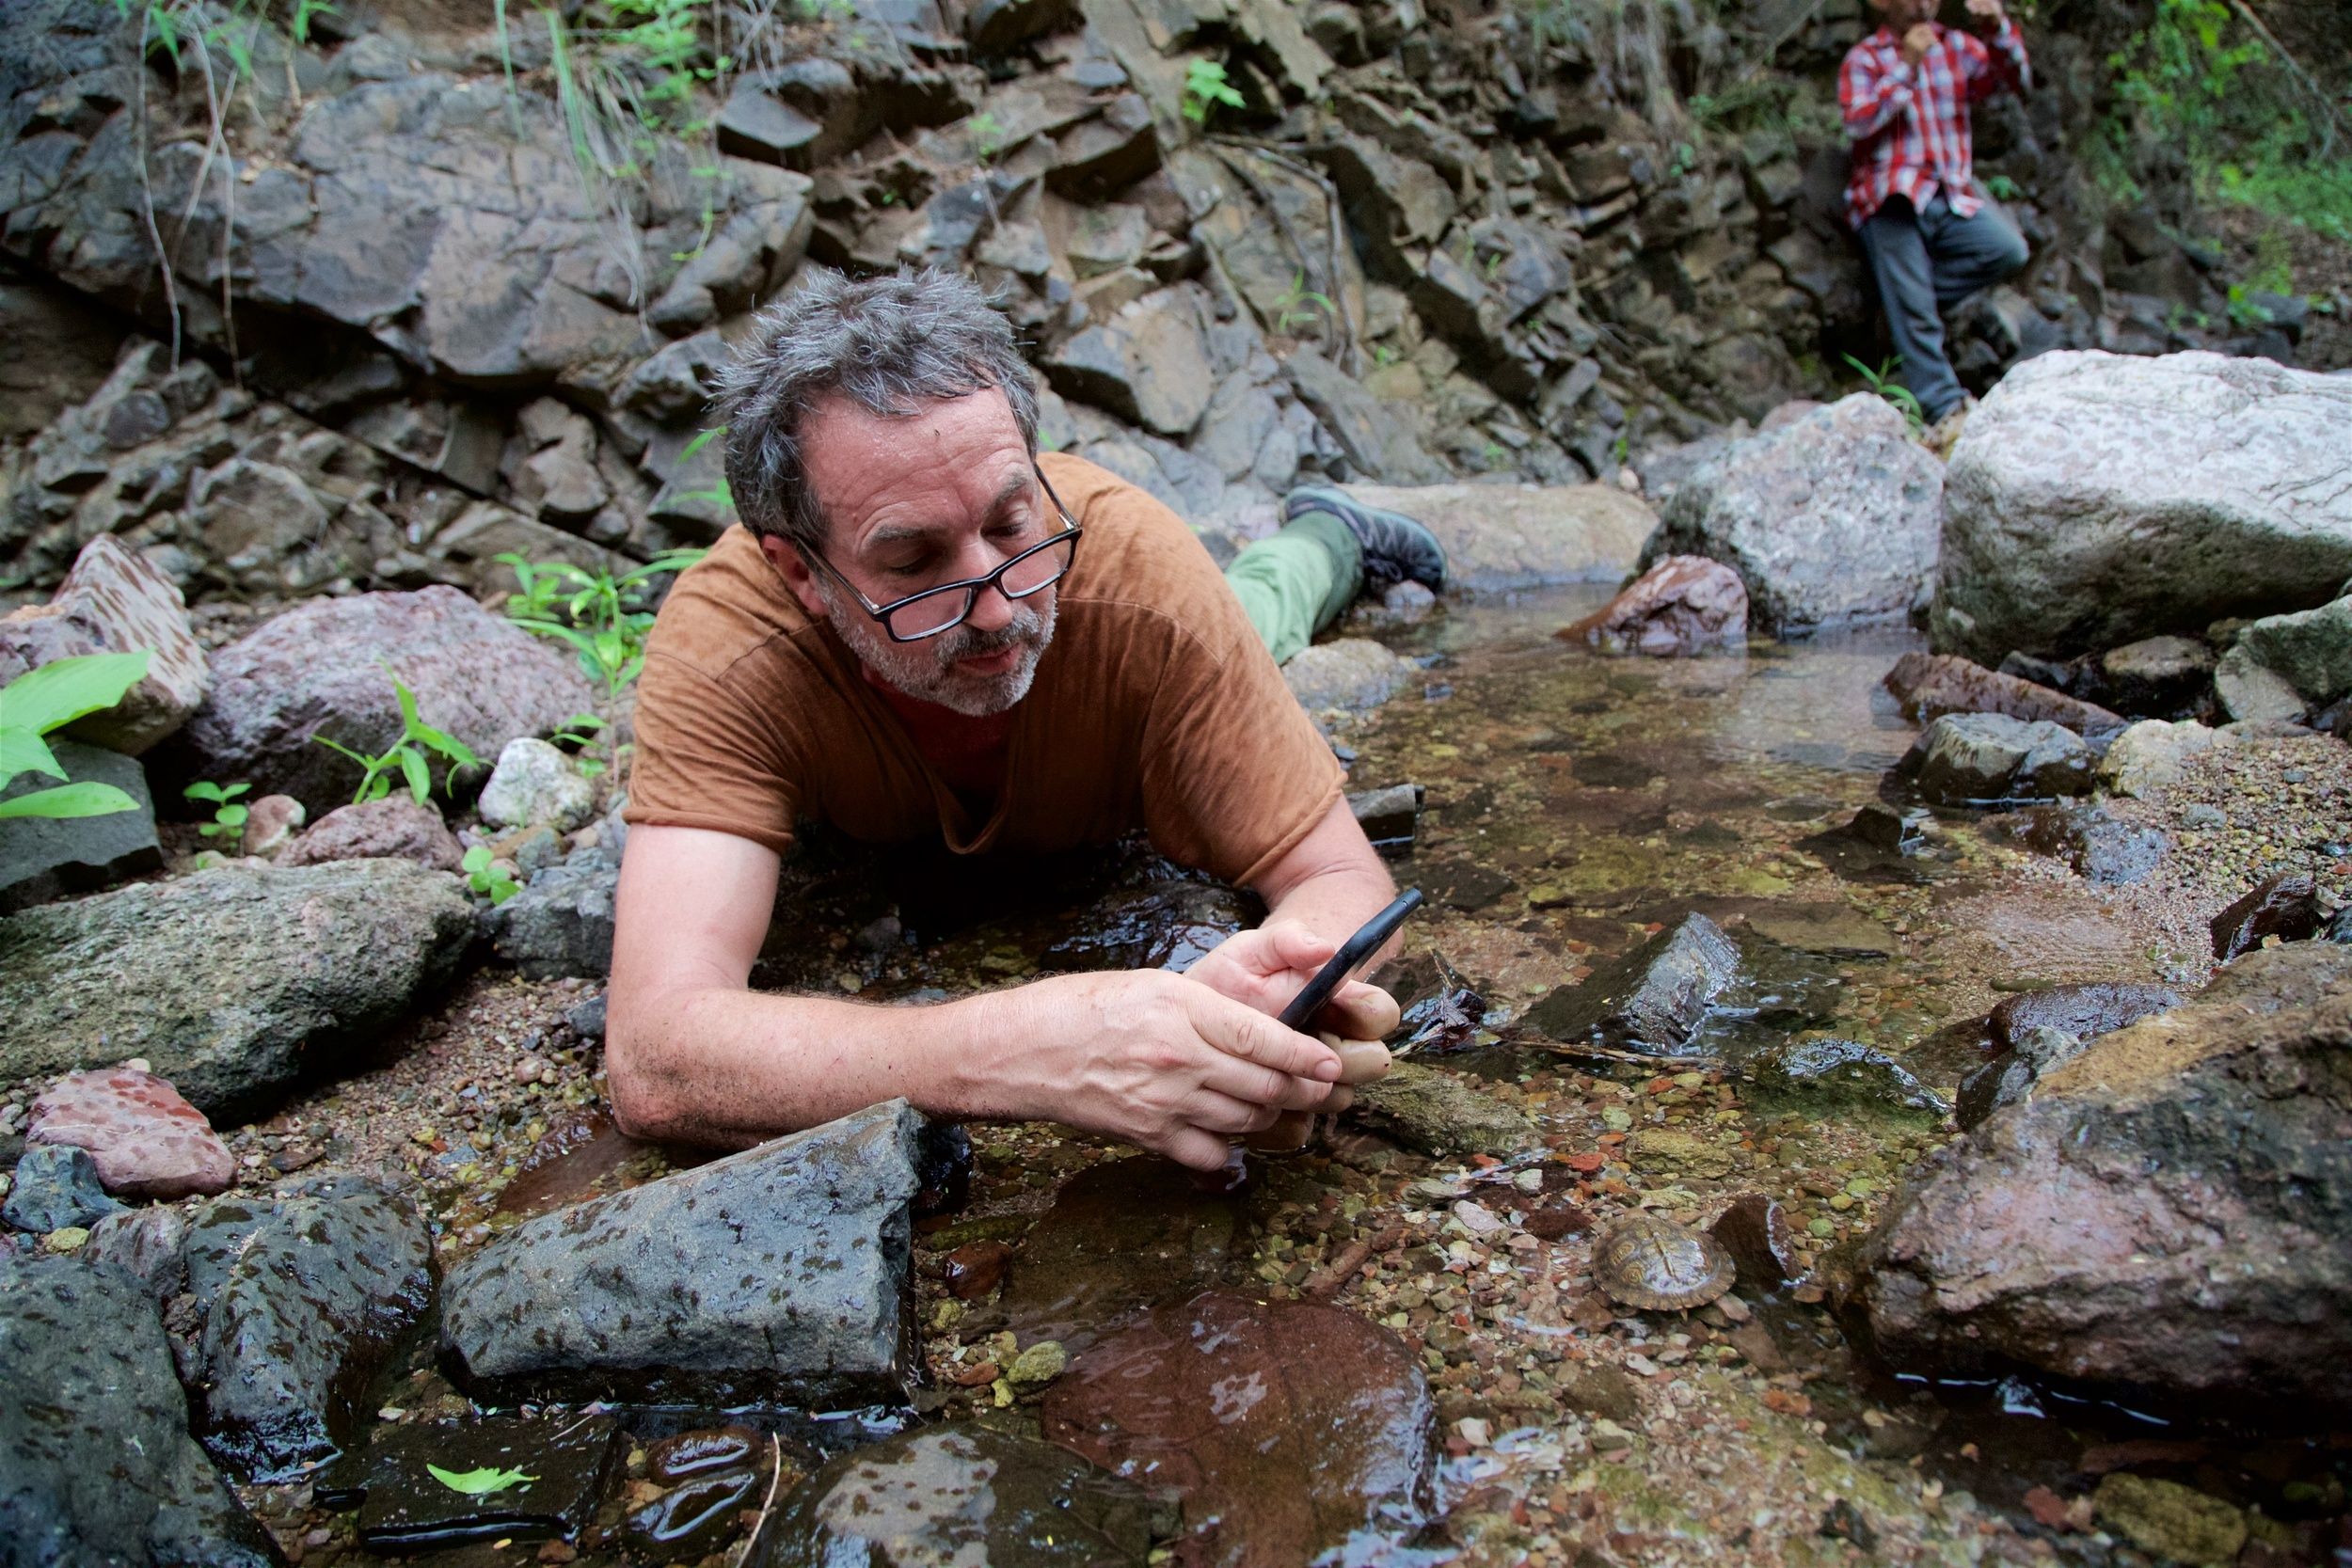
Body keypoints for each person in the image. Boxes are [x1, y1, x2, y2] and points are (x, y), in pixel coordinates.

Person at [604, 266, 1446, 1172]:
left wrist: (1277, 998)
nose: (1000, 609)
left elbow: (1338, 874)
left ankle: (1328, 535)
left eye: (1011, 523)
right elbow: (656, 1056)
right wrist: (1033, 1049)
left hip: (1158, 627)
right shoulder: (731, 646)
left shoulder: (1138, 587)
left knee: (1263, 611)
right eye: (915, 560)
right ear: (801, 572)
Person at [1839, 0, 2032, 430]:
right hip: (1891, 195)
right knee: (1916, 308)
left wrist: (1997, 27)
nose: (1923, 3)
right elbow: (1856, 125)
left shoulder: (1959, 47)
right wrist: (1907, 65)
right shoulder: (1866, 58)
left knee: (2008, 250)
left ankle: (1903, 308)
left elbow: (2013, 82)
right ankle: (1944, 407)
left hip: (1950, 193)